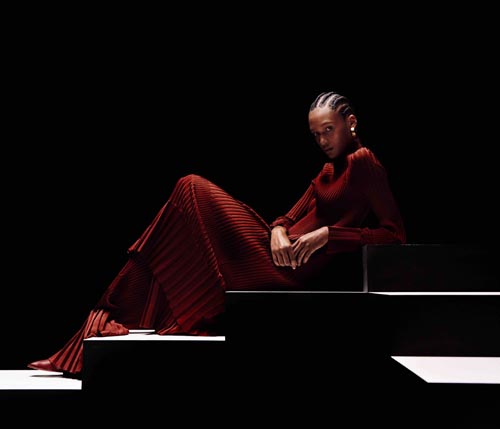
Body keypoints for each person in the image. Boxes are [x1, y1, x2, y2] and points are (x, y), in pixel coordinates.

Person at [28, 91, 406, 378]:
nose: (322, 140)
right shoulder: (327, 169)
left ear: (350, 123)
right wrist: (277, 229)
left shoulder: (365, 164)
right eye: (315, 134)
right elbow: (288, 215)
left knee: (190, 186)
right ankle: (85, 338)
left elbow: (393, 235)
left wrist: (329, 236)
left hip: (288, 272)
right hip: (271, 250)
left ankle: (87, 338)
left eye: (328, 130)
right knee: (169, 233)